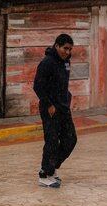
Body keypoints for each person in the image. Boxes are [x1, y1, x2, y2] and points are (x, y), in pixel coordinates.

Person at [33, 34, 77, 188]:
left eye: (70, 49)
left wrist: (67, 100)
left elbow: (63, 85)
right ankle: (44, 174)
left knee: (70, 140)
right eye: (65, 48)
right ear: (57, 46)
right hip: (50, 108)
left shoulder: (66, 62)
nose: (67, 51)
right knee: (51, 141)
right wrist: (48, 105)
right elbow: (38, 86)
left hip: (63, 108)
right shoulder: (47, 63)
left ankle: (51, 168)